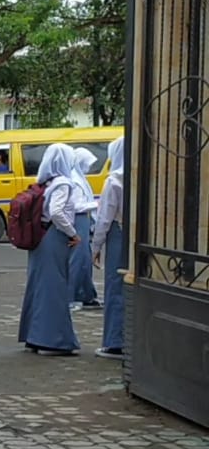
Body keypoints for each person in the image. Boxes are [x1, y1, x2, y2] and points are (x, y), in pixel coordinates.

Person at [18, 143, 82, 356]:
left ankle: (34, 336)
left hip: (40, 237)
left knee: (38, 286)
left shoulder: (45, 183)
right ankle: (52, 340)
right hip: (54, 236)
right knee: (54, 287)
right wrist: (73, 232)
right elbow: (57, 212)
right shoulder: (63, 183)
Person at [91, 137, 126, 359]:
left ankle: (114, 341)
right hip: (132, 234)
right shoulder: (135, 178)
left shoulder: (113, 182)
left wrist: (95, 246)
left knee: (114, 287)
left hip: (117, 234)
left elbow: (104, 218)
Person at [68, 147, 101, 310]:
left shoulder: (81, 179)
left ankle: (88, 294)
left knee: (85, 259)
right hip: (78, 220)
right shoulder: (75, 181)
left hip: (84, 220)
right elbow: (76, 205)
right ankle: (71, 296)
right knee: (77, 259)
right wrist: (96, 204)